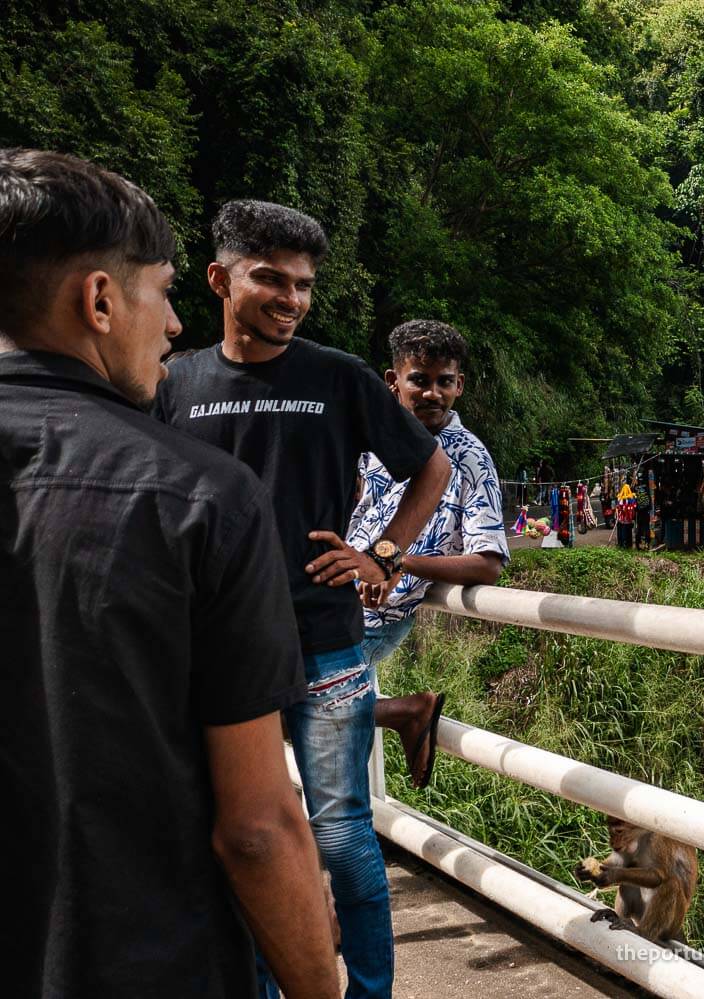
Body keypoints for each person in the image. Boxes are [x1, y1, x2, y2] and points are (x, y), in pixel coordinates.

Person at [0, 149, 340, 998]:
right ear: (102, 301)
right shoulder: (200, 497)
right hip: (138, 958)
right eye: (164, 291)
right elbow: (258, 828)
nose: (176, 323)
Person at [153, 199, 451, 999]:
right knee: (238, 834)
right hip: (214, 649)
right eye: (270, 279)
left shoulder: (338, 376)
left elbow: (431, 469)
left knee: (343, 832)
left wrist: (382, 551)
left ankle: (372, 990)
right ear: (219, 278)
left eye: (304, 285)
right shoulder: (173, 383)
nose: (291, 299)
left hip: (322, 634)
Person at [348, 320, 510, 788]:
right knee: (277, 705)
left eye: (444, 381)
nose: (432, 393)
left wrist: (398, 563)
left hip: (375, 618)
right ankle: (405, 712)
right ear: (393, 381)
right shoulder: (376, 444)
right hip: (332, 601)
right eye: (419, 379)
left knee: (292, 709)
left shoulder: (469, 458)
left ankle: (409, 711)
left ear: (460, 385)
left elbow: (488, 562)